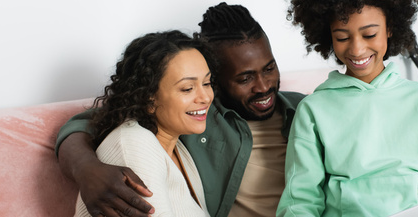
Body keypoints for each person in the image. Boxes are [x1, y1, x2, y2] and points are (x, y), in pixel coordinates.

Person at [55, 3, 305, 217]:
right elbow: (89, 125)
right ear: (220, 81)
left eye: (270, 69)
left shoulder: (307, 111)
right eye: (245, 78)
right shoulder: (193, 118)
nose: (263, 86)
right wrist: (86, 169)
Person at [277, 0, 418, 216]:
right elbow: (300, 201)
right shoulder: (313, 110)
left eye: (369, 35)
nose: (357, 49)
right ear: (329, 36)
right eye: (342, 37)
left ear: (390, 28)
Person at [72, 30, 215, 217]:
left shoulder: (177, 148)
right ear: (149, 98)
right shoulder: (134, 145)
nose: (205, 97)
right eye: (187, 88)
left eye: (207, 83)